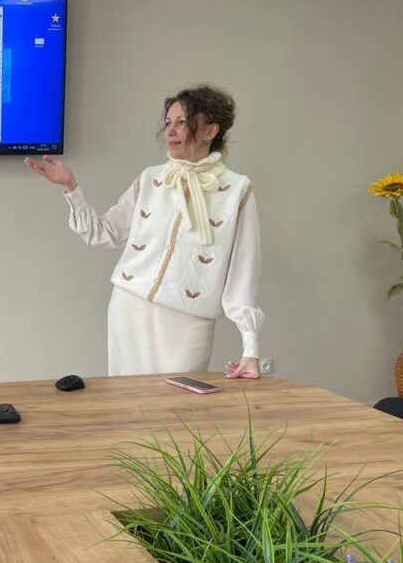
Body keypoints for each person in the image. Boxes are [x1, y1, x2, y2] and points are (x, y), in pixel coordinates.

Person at [25, 84, 263, 378]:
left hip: (188, 321)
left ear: (210, 131)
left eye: (182, 123)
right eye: (168, 123)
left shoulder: (237, 190)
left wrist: (250, 348)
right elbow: (103, 233)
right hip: (129, 307)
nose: (171, 131)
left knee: (176, 403)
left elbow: (243, 273)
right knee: (125, 400)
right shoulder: (151, 179)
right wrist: (70, 187)